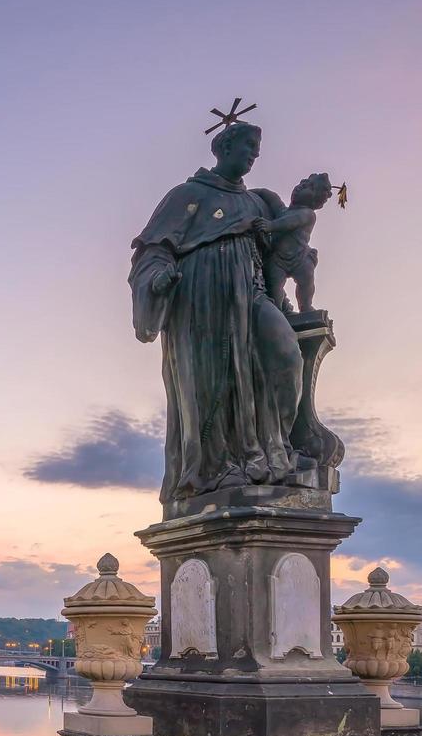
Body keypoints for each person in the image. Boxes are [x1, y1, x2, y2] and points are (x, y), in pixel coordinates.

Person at [128, 122, 307, 505]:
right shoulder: (187, 195)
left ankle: (274, 449)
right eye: (248, 145)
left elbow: (284, 250)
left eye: (258, 148)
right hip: (201, 302)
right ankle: (217, 469)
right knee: (213, 386)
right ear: (224, 147)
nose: (254, 154)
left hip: (252, 293)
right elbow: (152, 251)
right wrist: (159, 278)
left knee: (286, 355)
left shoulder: (259, 201)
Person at [254, 172, 334, 313]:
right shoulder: (282, 211)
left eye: (308, 187)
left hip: (300, 257)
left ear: (315, 201)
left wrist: (270, 226)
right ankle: (277, 311)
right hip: (277, 259)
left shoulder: (308, 214)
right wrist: (248, 193)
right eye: (302, 183)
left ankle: (306, 306)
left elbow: (291, 222)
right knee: (274, 286)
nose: (300, 187)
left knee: (306, 282)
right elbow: (269, 196)